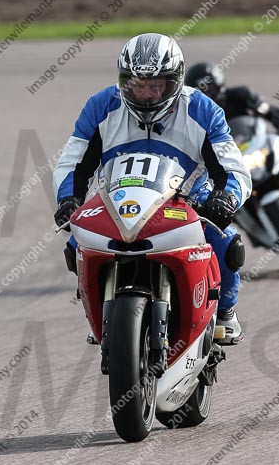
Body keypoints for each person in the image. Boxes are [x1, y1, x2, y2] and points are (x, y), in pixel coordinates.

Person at [52, 33, 252, 346]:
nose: (147, 94)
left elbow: (232, 167)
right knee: (76, 241)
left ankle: (224, 311)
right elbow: (73, 162)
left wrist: (226, 198)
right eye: (138, 85)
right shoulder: (100, 106)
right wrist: (68, 199)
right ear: (123, 81)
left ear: (177, 80)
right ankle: (99, 312)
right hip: (117, 196)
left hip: (185, 199)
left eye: (158, 85)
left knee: (224, 242)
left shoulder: (203, 110)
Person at [185, 61, 279, 227]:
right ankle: (247, 225)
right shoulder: (196, 116)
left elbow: (275, 113)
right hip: (231, 159)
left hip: (257, 144)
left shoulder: (241, 95)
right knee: (218, 197)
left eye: (210, 90)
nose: (209, 97)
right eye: (203, 94)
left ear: (220, 86)